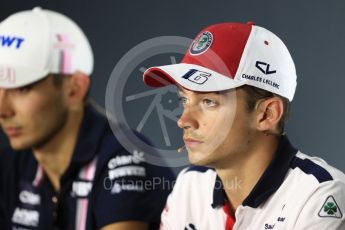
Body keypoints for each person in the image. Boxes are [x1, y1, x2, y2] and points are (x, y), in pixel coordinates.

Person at [143, 22, 345, 229]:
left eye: (209, 102)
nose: (183, 120)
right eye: (184, 100)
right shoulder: (190, 185)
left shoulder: (320, 197)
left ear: (267, 114)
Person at [0, 7, 174, 230]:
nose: (3, 110)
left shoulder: (127, 157)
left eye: (21, 89)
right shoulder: (12, 165)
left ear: (74, 89)